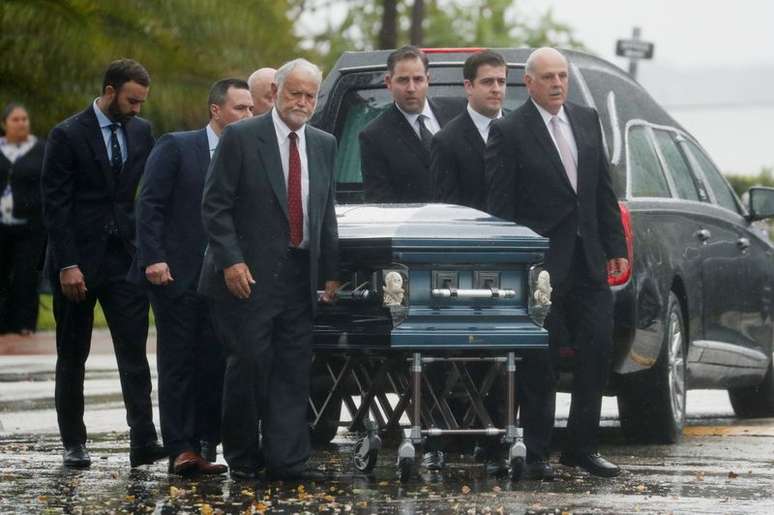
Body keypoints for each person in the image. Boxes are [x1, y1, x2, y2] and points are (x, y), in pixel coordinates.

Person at [486, 47, 629, 478]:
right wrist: (514, 265)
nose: (557, 84)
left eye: (562, 76)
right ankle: (535, 451)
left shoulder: (586, 119)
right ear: (528, 83)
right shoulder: (509, 131)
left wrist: (615, 243)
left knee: (598, 348)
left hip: (588, 260)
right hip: (541, 267)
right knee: (542, 361)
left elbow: (602, 188)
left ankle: (581, 447)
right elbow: (501, 206)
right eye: (547, 77)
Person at [200, 58, 340, 481]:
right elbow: (215, 205)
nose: (302, 102)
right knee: (249, 364)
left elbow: (324, 212)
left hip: (300, 274)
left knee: (293, 369)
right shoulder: (243, 137)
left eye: (310, 95)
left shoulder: (323, 143)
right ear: (276, 92)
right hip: (249, 276)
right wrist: (232, 261)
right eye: (294, 92)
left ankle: (288, 460)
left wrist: (330, 271)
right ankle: (243, 458)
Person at [41, 58, 165, 469]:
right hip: (78, 262)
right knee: (72, 354)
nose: (137, 109)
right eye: (131, 100)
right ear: (110, 91)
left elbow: (147, 195)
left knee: (134, 353)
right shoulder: (67, 135)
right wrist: (67, 264)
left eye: (142, 102)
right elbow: (55, 207)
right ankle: (73, 442)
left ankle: (143, 440)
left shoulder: (142, 132)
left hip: (124, 260)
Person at [129, 78, 254, 476]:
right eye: (240, 108)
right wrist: (153, 257)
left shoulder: (248, 154)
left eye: (251, 109)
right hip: (175, 276)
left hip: (222, 280)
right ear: (216, 110)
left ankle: (205, 443)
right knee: (179, 363)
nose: (248, 115)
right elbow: (149, 203)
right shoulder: (177, 146)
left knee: (214, 362)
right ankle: (180, 447)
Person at [359, 45, 463, 203]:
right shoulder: (374, 136)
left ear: (428, 79)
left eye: (418, 79)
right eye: (403, 80)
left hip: (467, 223)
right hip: (414, 225)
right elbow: (380, 202)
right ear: (388, 81)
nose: (411, 88)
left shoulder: (458, 112)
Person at [0, 103, 46, 335]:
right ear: (4, 124)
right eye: (15, 119)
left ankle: (25, 324)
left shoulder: (40, 150)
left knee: (26, 276)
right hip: (2, 225)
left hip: (30, 227)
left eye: (24, 119)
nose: (21, 124)